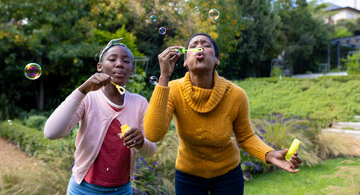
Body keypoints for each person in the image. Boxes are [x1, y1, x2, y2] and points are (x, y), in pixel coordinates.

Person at [144, 33, 302, 195]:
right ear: (184, 61)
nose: (199, 47)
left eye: (205, 44)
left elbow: (246, 137)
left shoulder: (235, 95)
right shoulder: (173, 90)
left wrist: (270, 154)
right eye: (193, 45)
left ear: (217, 59)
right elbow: (153, 134)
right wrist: (164, 76)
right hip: (188, 175)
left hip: (227, 175)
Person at [44, 38, 156, 195]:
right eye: (112, 59)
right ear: (100, 67)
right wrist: (82, 90)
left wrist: (141, 142)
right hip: (82, 189)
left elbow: (149, 151)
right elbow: (51, 132)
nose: (119, 64)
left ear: (132, 69)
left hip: (122, 191)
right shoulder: (88, 98)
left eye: (126, 61)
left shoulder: (140, 103)